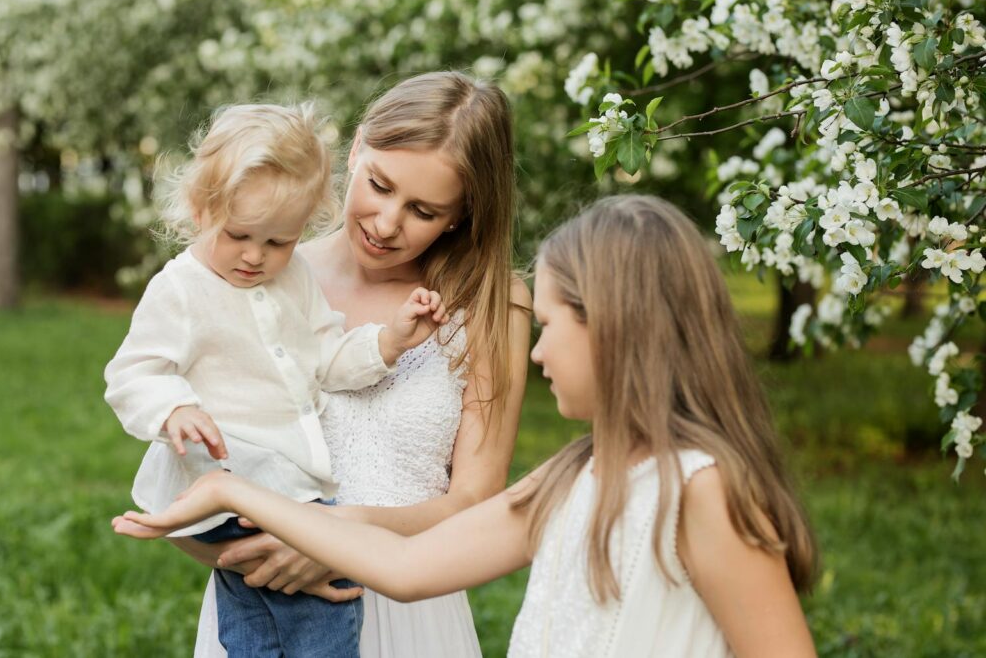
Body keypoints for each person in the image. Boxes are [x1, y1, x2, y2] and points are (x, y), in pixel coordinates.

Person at [116, 194, 820, 657]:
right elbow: (407, 567)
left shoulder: (704, 490)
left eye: (551, 326)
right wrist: (235, 493)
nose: (537, 350)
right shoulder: (575, 475)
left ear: (620, 330)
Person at [146, 72, 531, 657]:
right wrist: (264, 556)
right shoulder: (259, 277)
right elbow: (192, 475)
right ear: (354, 150)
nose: (385, 224)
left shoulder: (492, 303)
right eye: (378, 185)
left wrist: (335, 536)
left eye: (423, 210)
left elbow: (475, 502)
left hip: (413, 609)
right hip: (269, 594)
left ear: (462, 214)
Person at [104, 102, 448, 658]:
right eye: (240, 234)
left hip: (280, 484)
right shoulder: (181, 290)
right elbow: (133, 371)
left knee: (254, 623)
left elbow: (328, 360)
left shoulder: (295, 279)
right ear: (199, 208)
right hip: (231, 480)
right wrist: (173, 410)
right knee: (327, 610)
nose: (255, 256)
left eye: (278, 242)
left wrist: (388, 342)